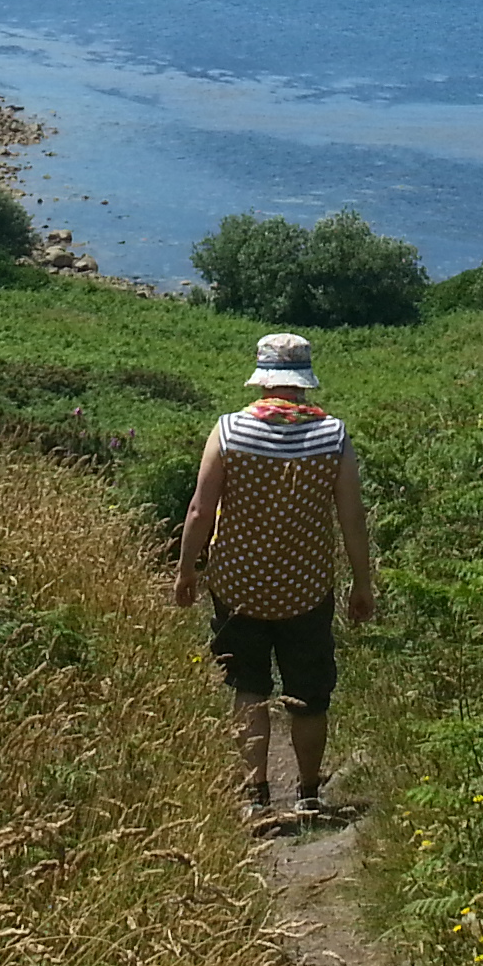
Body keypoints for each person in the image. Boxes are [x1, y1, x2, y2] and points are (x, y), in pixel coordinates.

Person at [172, 331, 378, 821]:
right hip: (306, 586)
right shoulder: (333, 436)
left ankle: (256, 797)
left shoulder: (229, 431)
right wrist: (362, 582)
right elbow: (351, 517)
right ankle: (308, 794)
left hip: (238, 585)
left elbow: (200, 510)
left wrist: (186, 570)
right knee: (309, 694)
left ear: (263, 378)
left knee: (248, 688)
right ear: (303, 381)